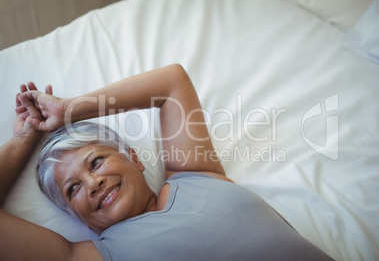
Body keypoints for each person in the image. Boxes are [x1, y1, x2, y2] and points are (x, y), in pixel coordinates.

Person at [0, 64, 333, 260]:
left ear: (133, 157)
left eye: (96, 162)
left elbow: (172, 82)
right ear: (77, 217)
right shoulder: (100, 254)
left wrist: (69, 109)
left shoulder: (196, 173)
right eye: (73, 189)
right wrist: (22, 139)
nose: (92, 183)